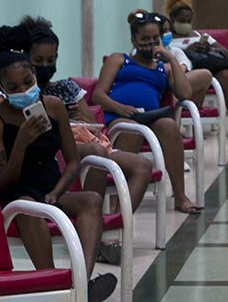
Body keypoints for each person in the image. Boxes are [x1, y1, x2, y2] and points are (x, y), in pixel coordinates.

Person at [0, 26, 118, 302]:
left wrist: (58, 191)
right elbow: (3, 180)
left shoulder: (53, 107)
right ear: (0, 86)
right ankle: (59, 299)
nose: (23, 91)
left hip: (51, 187)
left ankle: (79, 284)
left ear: (33, 74)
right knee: (30, 212)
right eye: (13, 87)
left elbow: (71, 162)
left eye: (27, 81)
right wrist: (21, 143)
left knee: (92, 200)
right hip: (17, 195)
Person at [18, 15, 154, 266]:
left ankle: (109, 229)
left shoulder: (66, 87)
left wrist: (74, 114)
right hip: (56, 149)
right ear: (27, 59)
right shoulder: (23, 91)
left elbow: (92, 121)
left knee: (142, 165)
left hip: (84, 138)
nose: (46, 65)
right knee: (95, 152)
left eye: (52, 60)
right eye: (39, 61)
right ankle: (95, 236)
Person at [92, 10, 203, 214]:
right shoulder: (119, 60)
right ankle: (119, 203)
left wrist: (169, 56)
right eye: (144, 39)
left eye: (154, 39)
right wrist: (120, 108)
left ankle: (180, 196)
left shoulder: (164, 68)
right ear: (133, 39)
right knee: (131, 130)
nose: (149, 43)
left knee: (169, 126)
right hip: (120, 116)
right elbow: (98, 95)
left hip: (150, 117)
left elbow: (185, 92)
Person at [164, 0, 228, 138]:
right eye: (182, 20)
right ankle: (191, 124)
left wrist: (208, 48)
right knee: (197, 79)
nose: (186, 24)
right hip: (185, 73)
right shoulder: (167, 38)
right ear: (172, 19)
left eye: (189, 21)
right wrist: (186, 51)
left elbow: (224, 51)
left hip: (210, 68)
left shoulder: (198, 35)